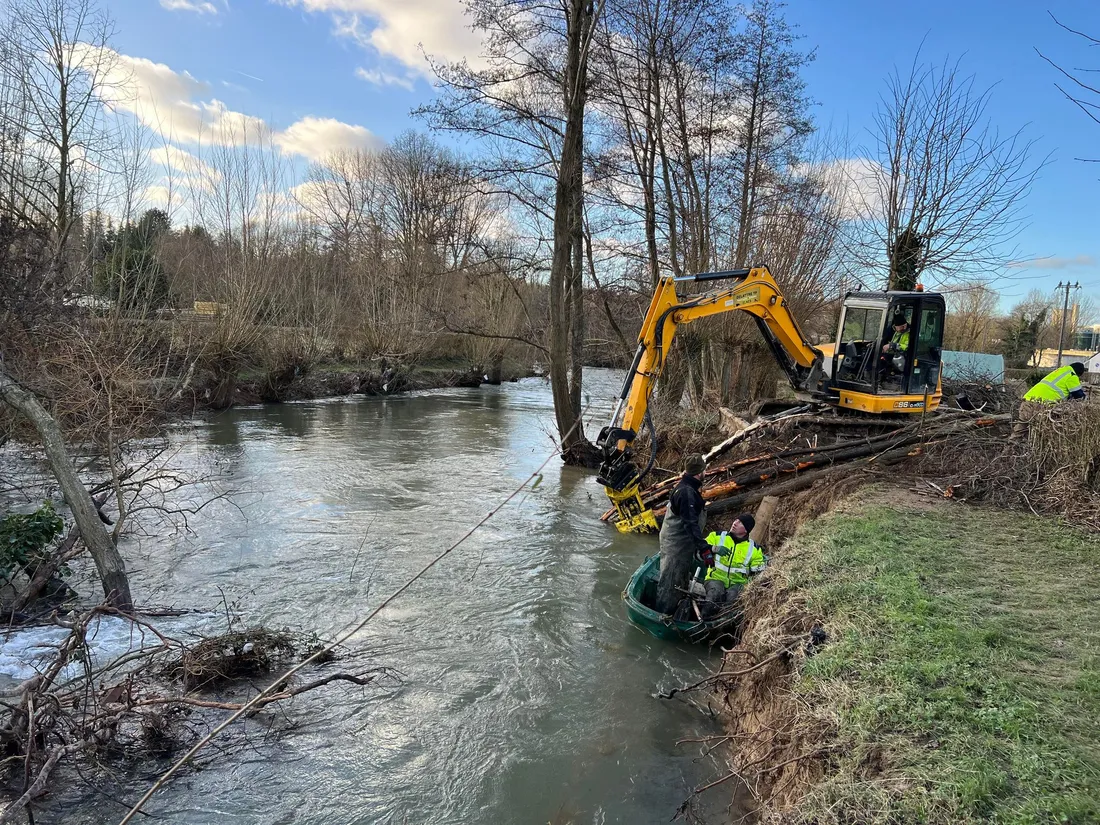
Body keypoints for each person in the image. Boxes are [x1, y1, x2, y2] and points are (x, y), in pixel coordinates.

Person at [655, 455, 711, 615]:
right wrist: (704, 549)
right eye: (704, 469)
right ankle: (663, 616)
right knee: (670, 583)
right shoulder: (686, 492)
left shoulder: (688, 487)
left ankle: (674, 607)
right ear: (700, 472)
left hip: (681, 544)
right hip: (676, 546)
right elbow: (690, 524)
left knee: (678, 579)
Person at [701, 515, 766, 619]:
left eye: (740, 522)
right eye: (736, 519)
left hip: (738, 584)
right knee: (715, 594)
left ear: (746, 530)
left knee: (732, 598)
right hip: (715, 579)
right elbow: (699, 551)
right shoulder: (716, 536)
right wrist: (712, 550)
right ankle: (704, 622)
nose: (735, 523)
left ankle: (724, 627)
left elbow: (759, 573)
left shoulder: (754, 549)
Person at [1023, 362, 1087, 403]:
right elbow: (1078, 395)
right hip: (1042, 404)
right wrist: (1086, 399)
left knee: (1023, 423)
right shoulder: (1072, 375)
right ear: (1079, 373)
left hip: (1027, 400)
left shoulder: (1061, 370)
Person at [879, 313, 911, 384]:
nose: (896, 330)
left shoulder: (910, 334)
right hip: (894, 353)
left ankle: (883, 381)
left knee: (884, 361)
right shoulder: (898, 332)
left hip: (904, 357)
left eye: (897, 328)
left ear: (904, 326)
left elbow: (906, 347)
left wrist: (892, 345)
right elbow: (893, 342)